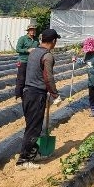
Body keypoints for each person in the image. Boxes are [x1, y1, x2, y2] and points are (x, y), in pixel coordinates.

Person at [17, 28, 62, 169]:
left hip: (27, 92)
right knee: (34, 128)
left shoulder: (34, 52)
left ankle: (33, 153)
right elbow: (48, 77)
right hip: (36, 95)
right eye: (56, 40)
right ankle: (23, 160)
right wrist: (55, 95)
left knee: (32, 125)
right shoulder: (47, 56)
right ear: (53, 41)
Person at [15, 22, 40, 99]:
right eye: (31, 30)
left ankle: (27, 94)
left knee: (30, 78)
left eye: (34, 30)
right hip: (23, 61)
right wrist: (27, 50)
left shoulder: (36, 40)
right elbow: (18, 49)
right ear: (28, 31)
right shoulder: (23, 39)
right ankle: (18, 95)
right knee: (21, 79)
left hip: (32, 62)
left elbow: (38, 48)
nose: (32, 31)